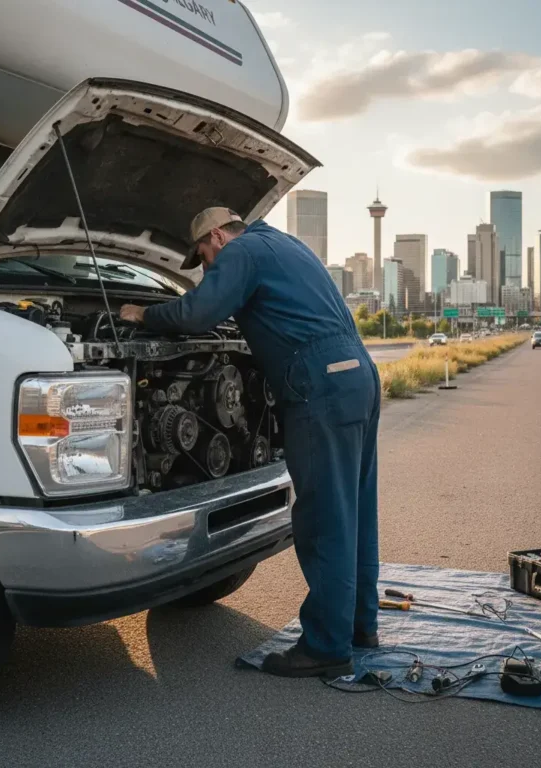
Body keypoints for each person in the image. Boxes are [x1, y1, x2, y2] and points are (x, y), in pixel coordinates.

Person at [120, 207, 381, 678]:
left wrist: (144, 313)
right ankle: (360, 626)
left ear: (218, 236)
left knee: (325, 518)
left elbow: (198, 312)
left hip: (319, 385)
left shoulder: (242, 251)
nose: (206, 270)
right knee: (355, 509)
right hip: (358, 376)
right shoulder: (286, 245)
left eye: (202, 259)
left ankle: (326, 646)